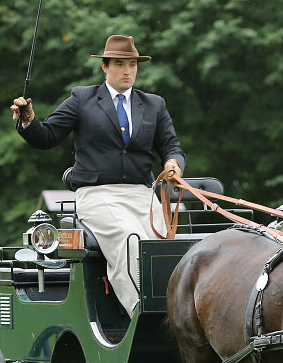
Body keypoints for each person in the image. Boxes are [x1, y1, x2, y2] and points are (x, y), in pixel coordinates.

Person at [11, 34, 185, 317]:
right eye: (119, 64)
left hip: (142, 193)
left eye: (132, 65)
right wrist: (28, 120)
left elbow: (171, 146)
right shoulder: (83, 98)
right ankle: (145, 315)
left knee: (162, 248)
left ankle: (177, 314)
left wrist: (173, 163)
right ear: (105, 67)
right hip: (97, 194)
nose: (127, 71)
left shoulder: (154, 104)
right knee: (130, 240)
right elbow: (47, 136)